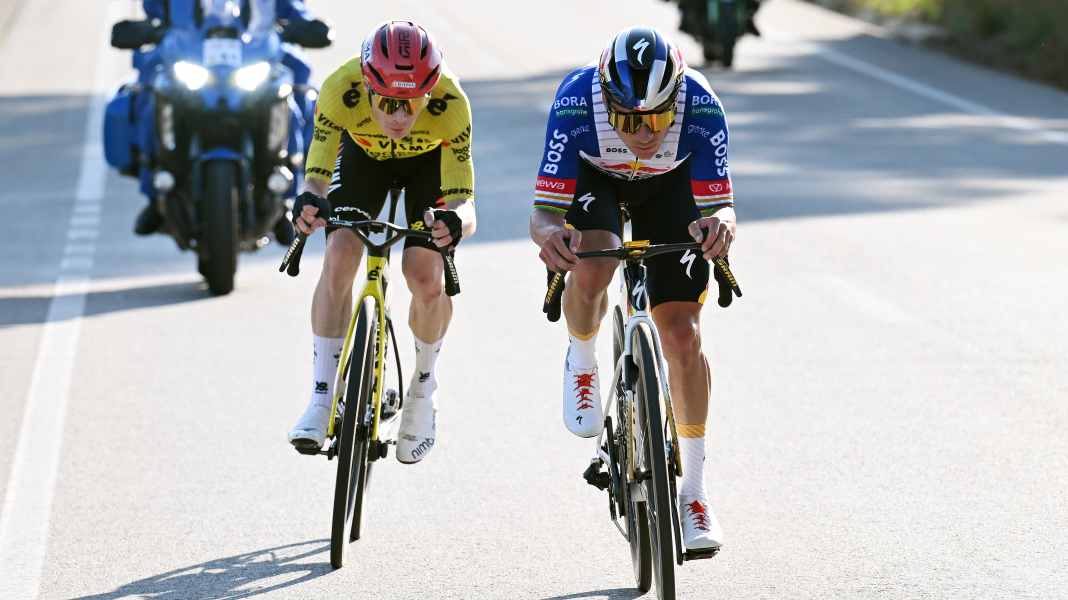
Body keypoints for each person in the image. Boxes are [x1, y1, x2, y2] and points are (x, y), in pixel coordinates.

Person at [529, 27, 735, 551]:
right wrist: (553, 237)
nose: (643, 133)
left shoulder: (702, 106)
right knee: (591, 263)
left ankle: (694, 492)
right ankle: (581, 359)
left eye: (657, 118)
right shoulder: (576, 102)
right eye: (627, 120)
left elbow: (720, 206)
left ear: (676, 101)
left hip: (671, 190)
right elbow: (544, 212)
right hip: (597, 183)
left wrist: (723, 227)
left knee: (683, 337)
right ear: (605, 101)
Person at [287, 21, 475, 465]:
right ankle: (320, 397)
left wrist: (454, 222)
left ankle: (424, 390)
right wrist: (310, 203)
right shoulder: (340, 88)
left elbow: (465, 202)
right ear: (367, 85)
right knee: (339, 256)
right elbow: (316, 173)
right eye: (389, 103)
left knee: (424, 273)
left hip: (427, 166)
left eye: (412, 104)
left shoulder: (451, 102)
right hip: (361, 159)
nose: (399, 117)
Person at [132, 0, 330, 236]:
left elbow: (294, 12)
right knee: (148, 91)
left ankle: (287, 196)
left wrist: (306, 27)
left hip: (253, 58)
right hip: (190, 58)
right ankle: (154, 195)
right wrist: (144, 30)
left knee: (300, 90)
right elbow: (154, 12)